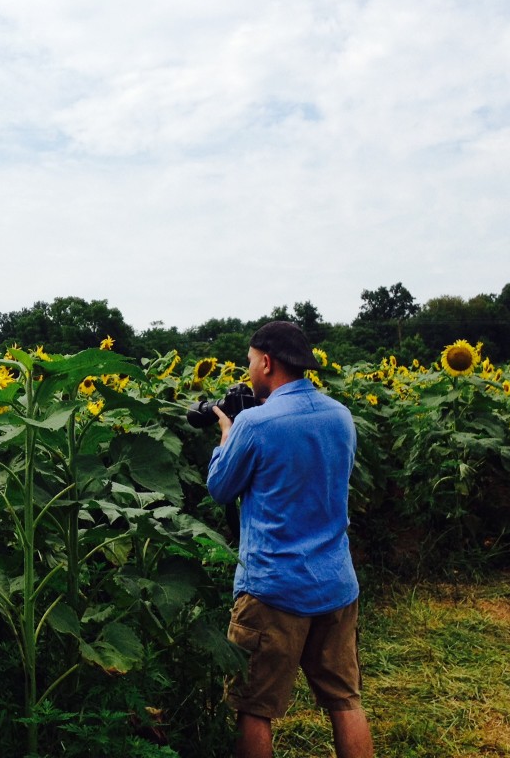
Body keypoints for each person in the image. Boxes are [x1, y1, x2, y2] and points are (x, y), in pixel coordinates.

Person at [207, 321, 374, 758]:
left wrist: (226, 436)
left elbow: (221, 488)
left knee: (254, 708)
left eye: (249, 362)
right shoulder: (341, 416)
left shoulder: (256, 424)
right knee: (345, 700)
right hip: (336, 583)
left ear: (266, 362)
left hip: (273, 590)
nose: (248, 371)